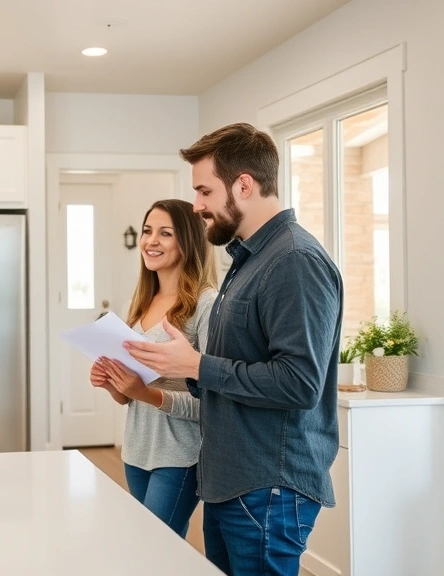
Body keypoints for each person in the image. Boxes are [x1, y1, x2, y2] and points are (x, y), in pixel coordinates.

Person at [125, 123, 343, 575]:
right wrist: (184, 365)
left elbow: (299, 383)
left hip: (268, 485)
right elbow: (231, 371)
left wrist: (198, 364)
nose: (197, 205)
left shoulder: (294, 261)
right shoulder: (247, 261)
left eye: (204, 191)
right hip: (230, 482)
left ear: (243, 184)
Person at [89, 198, 217, 538]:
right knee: (153, 549)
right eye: (147, 231)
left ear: (187, 241)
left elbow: (213, 403)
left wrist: (144, 392)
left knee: (154, 545)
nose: (150, 241)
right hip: (136, 450)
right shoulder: (141, 302)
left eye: (165, 233)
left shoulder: (205, 304)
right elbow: (131, 398)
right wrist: (114, 384)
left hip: (179, 456)